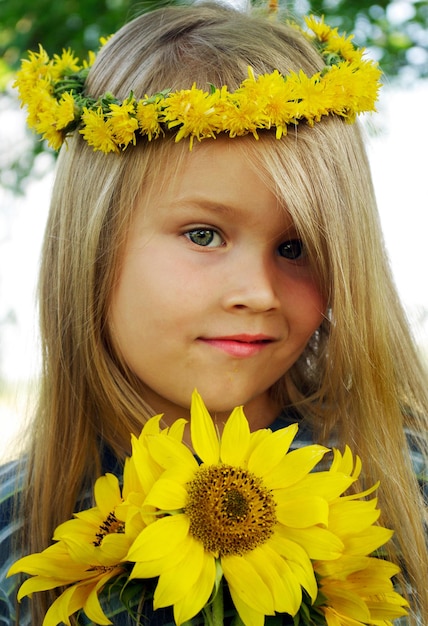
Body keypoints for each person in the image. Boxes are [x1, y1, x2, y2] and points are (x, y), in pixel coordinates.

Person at [1, 2, 427, 625]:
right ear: (91, 245)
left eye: (296, 247)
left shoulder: (407, 486)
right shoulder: (18, 530)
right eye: (204, 235)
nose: (258, 293)